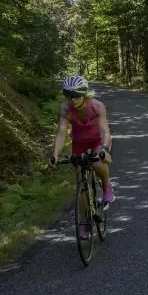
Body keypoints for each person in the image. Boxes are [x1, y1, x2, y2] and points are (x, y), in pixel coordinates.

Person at [50, 75, 114, 208]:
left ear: (84, 94)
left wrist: (105, 149)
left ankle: (107, 187)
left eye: (76, 96)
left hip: (97, 141)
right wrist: (55, 154)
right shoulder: (65, 109)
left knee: (97, 163)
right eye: (69, 96)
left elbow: (104, 131)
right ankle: (84, 222)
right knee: (81, 181)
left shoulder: (96, 106)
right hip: (79, 144)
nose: (73, 100)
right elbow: (62, 132)